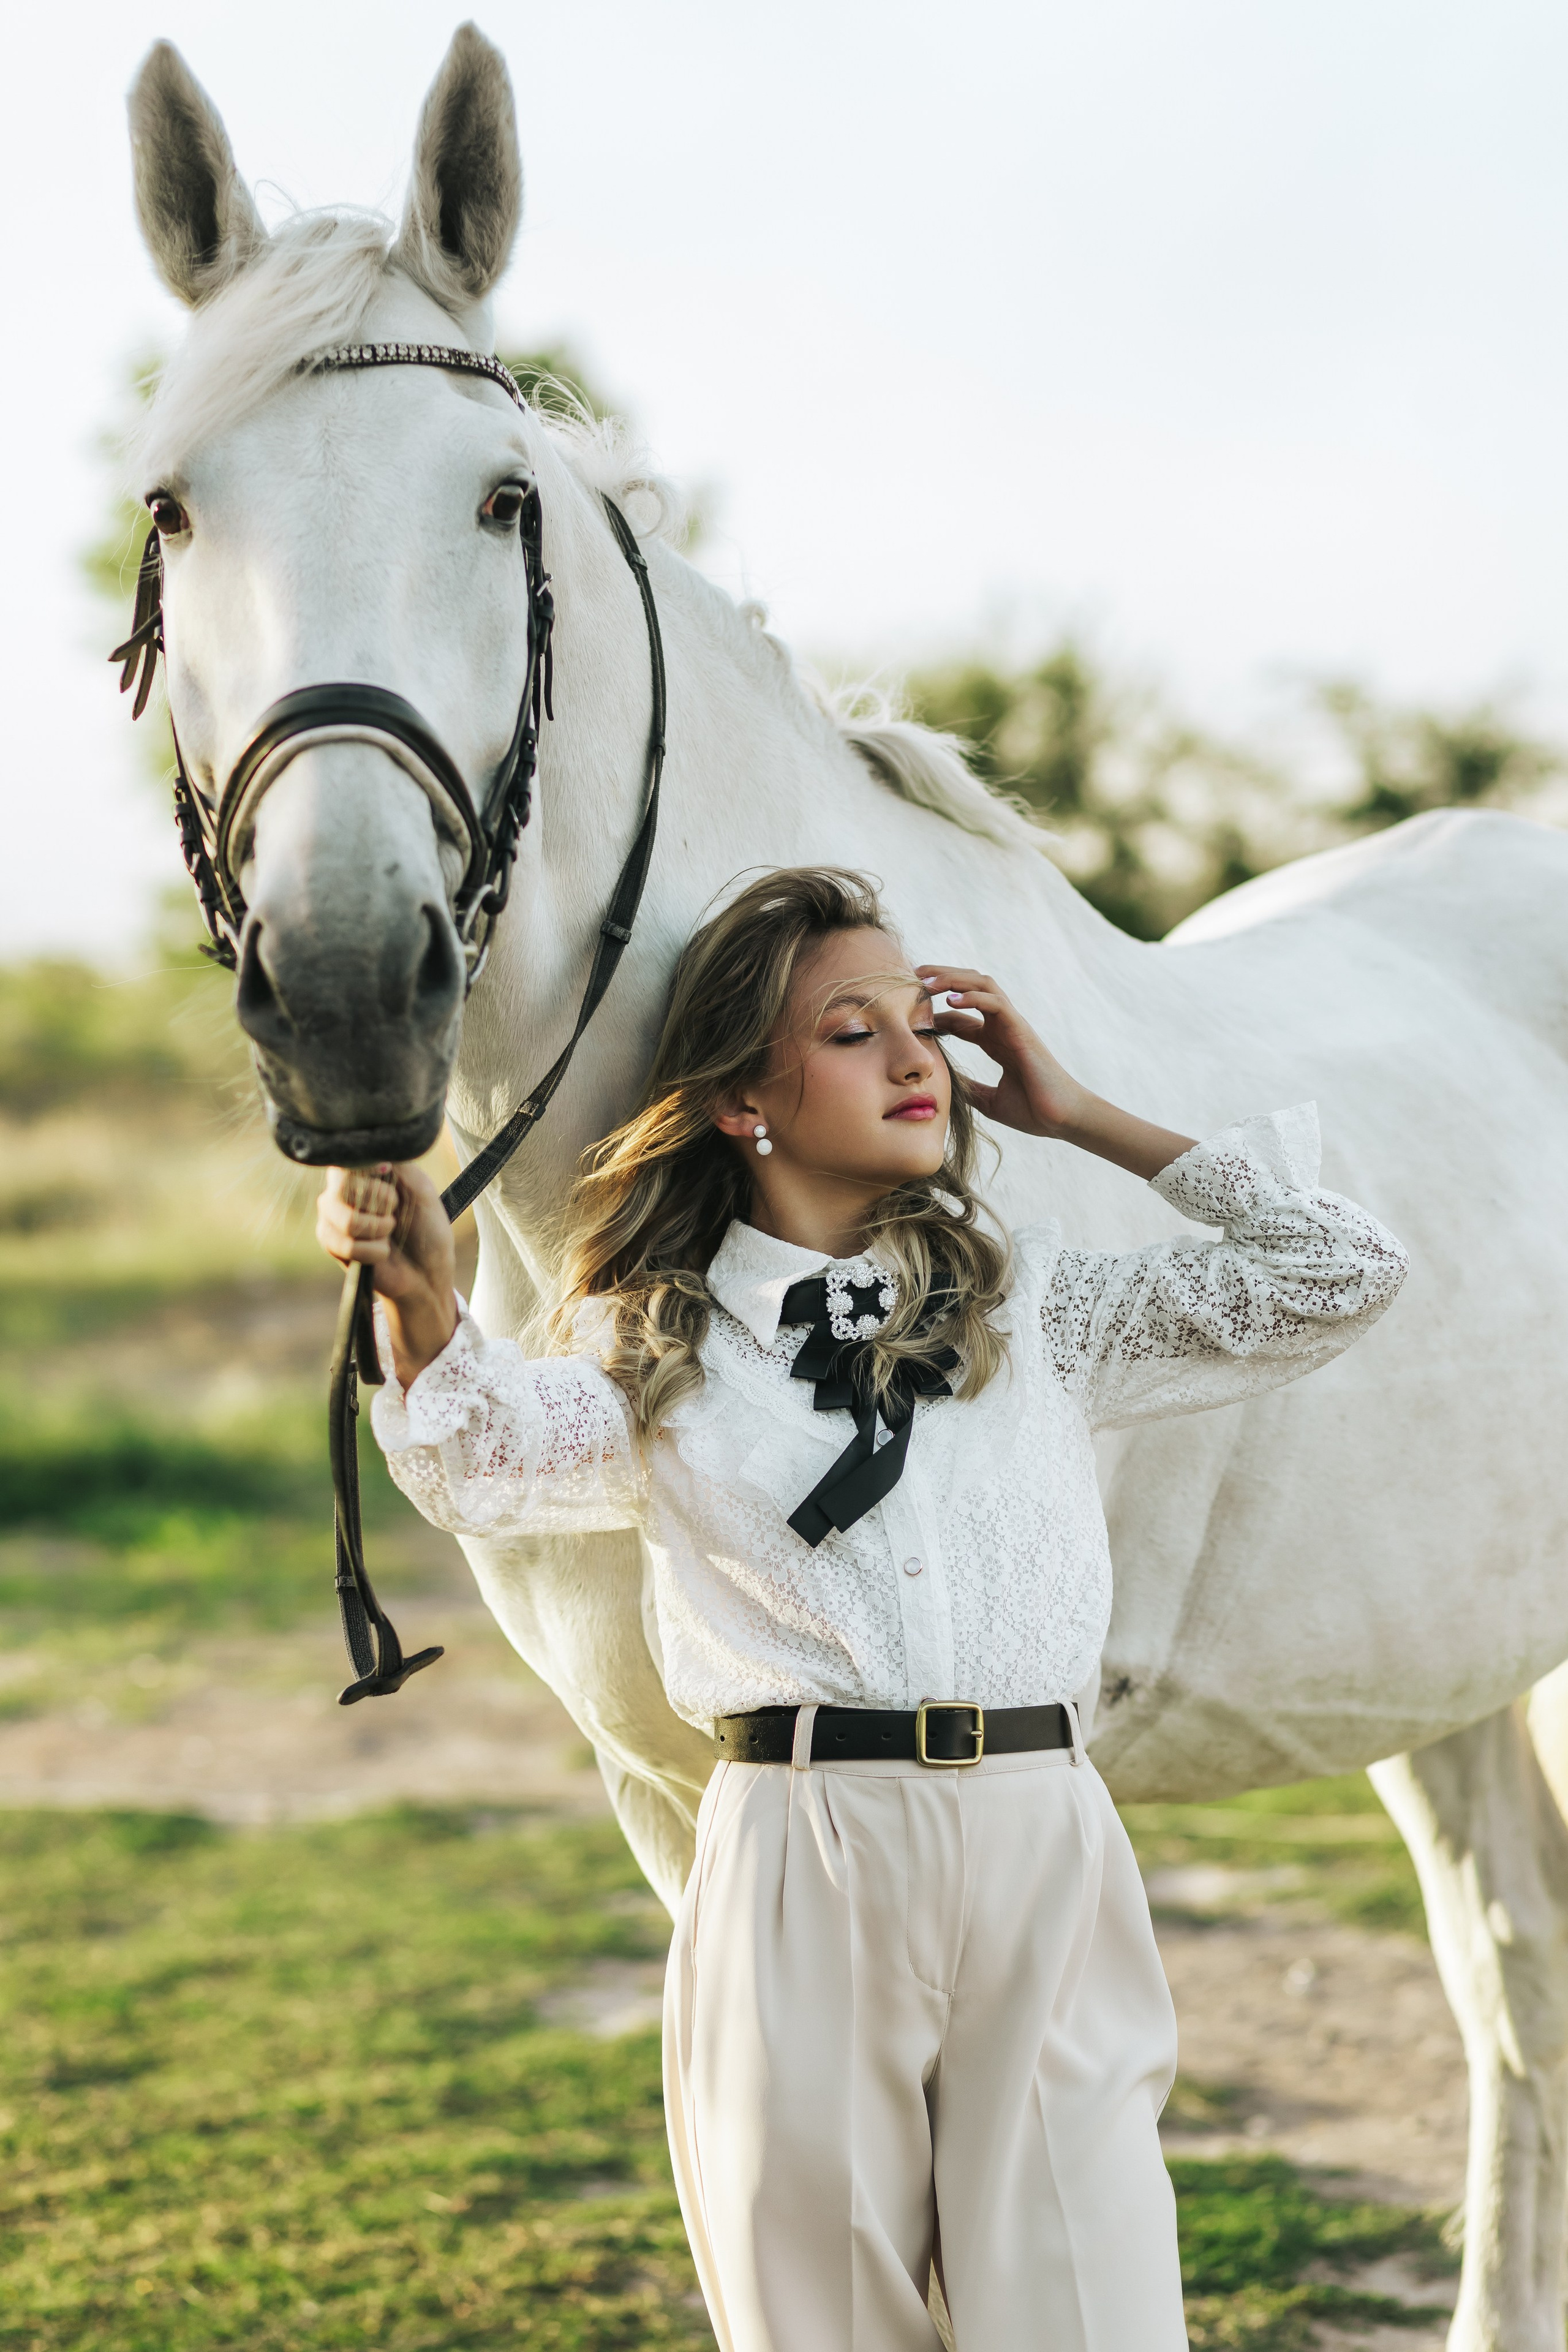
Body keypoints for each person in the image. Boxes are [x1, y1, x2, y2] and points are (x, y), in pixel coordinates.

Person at [317, 864, 1408, 2352]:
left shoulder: (1037, 1314)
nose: (915, 1060)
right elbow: (477, 1454)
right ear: (738, 1102)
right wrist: (423, 1306)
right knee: (822, 2321)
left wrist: (1075, 1110)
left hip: (1039, 1834)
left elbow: (1335, 1270)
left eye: (921, 1022)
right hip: (799, 1862)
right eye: (850, 1030)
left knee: (1091, 2315)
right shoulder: (662, 1344)